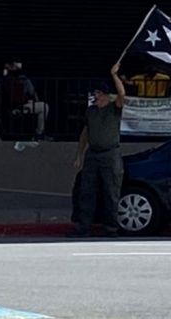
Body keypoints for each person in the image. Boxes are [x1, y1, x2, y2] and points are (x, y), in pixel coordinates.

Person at [69, 64, 126, 238]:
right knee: (87, 190)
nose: (96, 97)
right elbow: (85, 134)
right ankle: (83, 226)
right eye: (95, 94)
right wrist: (79, 154)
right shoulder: (91, 112)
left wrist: (114, 75)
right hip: (93, 153)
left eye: (99, 94)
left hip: (110, 154)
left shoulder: (114, 109)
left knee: (111, 191)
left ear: (106, 96)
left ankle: (111, 228)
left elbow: (122, 94)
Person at [0, 61, 50, 139]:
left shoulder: (24, 79)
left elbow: (32, 93)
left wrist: (33, 101)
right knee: (44, 107)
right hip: (11, 108)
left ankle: (39, 133)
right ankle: (38, 134)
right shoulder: (0, 82)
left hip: (23, 106)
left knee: (44, 107)